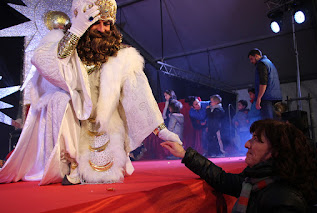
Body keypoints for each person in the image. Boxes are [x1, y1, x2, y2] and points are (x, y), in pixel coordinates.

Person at [0, 0, 181, 185]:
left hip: (107, 125)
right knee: (60, 99)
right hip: (72, 120)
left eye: (107, 23)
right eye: (96, 22)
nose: (102, 29)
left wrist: (162, 131)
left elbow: (139, 94)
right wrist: (76, 32)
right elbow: (44, 62)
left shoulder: (122, 56)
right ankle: (71, 164)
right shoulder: (60, 43)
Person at [161, 119, 317, 212]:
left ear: (276, 151)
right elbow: (222, 178)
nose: (246, 144)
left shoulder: (282, 199)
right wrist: (184, 154)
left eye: (257, 140)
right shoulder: (255, 182)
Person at [248, 48, 282, 119]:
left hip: (266, 97)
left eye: (251, 59)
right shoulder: (269, 63)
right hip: (274, 97)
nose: (251, 61)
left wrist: (259, 98)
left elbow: (263, 82)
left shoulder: (261, 64)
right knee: (274, 121)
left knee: (268, 122)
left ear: (257, 56)